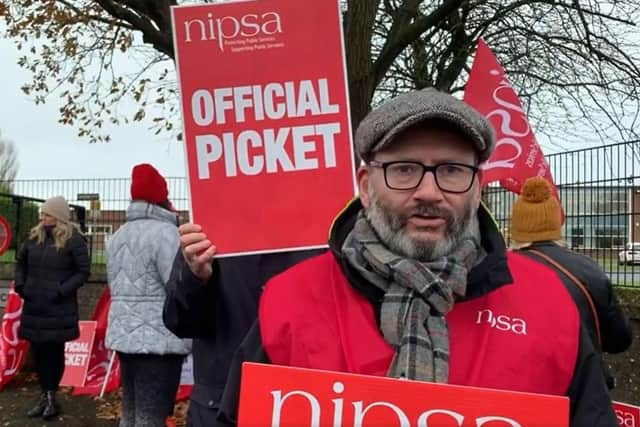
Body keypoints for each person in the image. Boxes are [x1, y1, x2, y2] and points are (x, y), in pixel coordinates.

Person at [213, 88, 618, 427]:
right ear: (365, 186)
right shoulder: (290, 300)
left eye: (452, 170)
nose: (428, 192)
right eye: (404, 170)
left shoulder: (548, 305)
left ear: (477, 188)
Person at [163, 236, 320, 426]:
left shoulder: (329, 229)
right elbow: (178, 321)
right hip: (220, 404)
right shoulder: (209, 228)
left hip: (307, 402)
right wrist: (194, 278)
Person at [510, 176, 633, 387]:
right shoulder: (588, 269)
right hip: (582, 391)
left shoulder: (497, 272)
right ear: (556, 222)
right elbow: (619, 340)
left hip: (521, 392)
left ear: (517, 226)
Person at [106, 164, 191, 427]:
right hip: (159, 341)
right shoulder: (167, 235)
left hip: (124, 337)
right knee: (152, 416)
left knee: (130, 412)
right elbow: (178, 287)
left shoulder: (118, 236)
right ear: (163, 197)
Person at [14, 195, 90, 420]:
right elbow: (20, 262)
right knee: (38, 354)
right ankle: (44, 395)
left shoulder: (74, 240)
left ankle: (51, 397)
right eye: (42, 213)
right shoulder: (33, 237)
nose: (42, 217)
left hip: (58, 308)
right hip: (34, 306)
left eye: (47, 213)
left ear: (57, 216)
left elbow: (83, 272)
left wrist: (61, 290)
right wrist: (21, 285)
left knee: (54, 354)